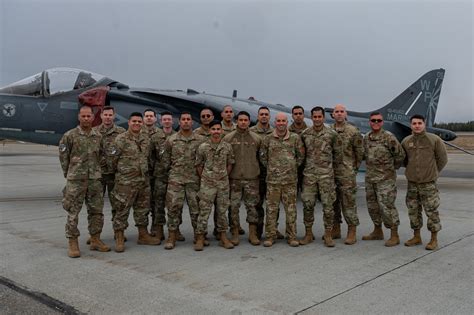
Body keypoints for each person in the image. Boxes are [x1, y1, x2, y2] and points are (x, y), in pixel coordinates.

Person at [59, 105, 110, 258]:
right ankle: (73, 241)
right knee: (73, 212)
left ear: (93, 118)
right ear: (79, 117)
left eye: (89, 116)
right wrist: (71, 174)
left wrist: (97, 172)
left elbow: (102, 156)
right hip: (76, 180)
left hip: (94, 180)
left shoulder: (98, 136)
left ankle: (95, 239)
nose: (86, 118)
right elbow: (63, 158)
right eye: (84, 116)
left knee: (96, 211)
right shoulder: (70, 136)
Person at [110, 112, 161, 252]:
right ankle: (119, 237)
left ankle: (143, 235)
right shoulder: (121, 139)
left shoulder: (146, 139)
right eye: (134, 121)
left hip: (143, 181)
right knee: (121, 209)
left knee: (143, 209)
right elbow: (112, 161)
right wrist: (124, 173)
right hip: (125, 182)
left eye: (139, 122)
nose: (137, 124)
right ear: (129, 122)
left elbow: (148, 158)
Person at [402, 114, 448, 250]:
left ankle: (434, 239)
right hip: (412, 184)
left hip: (428, 183)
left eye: (419, 123)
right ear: (411, 125)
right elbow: (405, 160)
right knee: (413, 211)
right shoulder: (406, 141)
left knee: (431, 211)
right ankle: (416, 236)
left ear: (424, 124)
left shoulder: (434, 140)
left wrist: (433, 173)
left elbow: (442, 159)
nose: (417, 126)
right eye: (414, 123)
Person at [260, 112, 305, 247]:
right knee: (271, 209)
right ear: (275, 122)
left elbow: (300, 157)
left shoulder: (295, 138)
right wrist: (273, 168)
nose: (280, 123)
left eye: (283, 121)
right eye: (278, 121)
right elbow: (263, 157)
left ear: (287, 122)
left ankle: (291, 236)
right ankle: (270, 235)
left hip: (290, 181)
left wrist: (290, 167)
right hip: (273, 181)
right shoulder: (268, 139)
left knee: (290, 210)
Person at [162, 112, 205, 250]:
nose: (186, 122)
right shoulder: (171, 140)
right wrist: (172, 174)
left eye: (188, 119)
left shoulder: (200, 140)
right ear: (179, 122)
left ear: (192, 122)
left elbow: (205, 160)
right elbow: (165, 161)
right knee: (173, 208)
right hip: (176, 180)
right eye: (183, 119)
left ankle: (199, 237)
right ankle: (172, 236)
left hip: (194, 180)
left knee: (196, 210)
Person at [362, 112, 405, 246]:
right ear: (370, 122)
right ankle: (377, 231)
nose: (376, 123)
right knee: (372, 207)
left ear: (382, 122)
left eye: (378, 121)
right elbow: (364, 155)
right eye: (373, 120)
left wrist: (390, 170)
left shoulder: (389, 137)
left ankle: (394, 234)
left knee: (387, 207)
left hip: (386, 180)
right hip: (370, 179)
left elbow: (400, 156)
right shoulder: (367, 138)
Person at [300, 106, 340, 247]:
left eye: (319, 117)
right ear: (312, 118)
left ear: (323, 117)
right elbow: (301, 155)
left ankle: (328, 235)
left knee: (328, 207)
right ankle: (308, 234)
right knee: (307, 205)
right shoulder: (305, 134)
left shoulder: (332, 134)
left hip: (326, 177)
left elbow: (337, 155)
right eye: (314, 117)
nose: (317, 119)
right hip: (309, 176)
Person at [194, 120, 235, 250]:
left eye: (218, 129)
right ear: (210, 131)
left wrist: (223, 176)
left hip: (223, 183)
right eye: (214, 129)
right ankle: (200, 237)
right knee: (204, 211)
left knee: (222, 211)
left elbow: (230, 164)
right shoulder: (203, 147)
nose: (216, 132)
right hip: (207, 184)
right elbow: (199, 165)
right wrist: (207, 177)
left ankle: (223, 236)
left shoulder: (227, 146)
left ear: (222, 131)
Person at [223, 111, 262, 246]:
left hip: (252, 179)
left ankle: (252, 234)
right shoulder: (228, 138)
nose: (243, 122)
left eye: (246, 120)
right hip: (234, 179)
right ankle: (234, 232)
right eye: (241, 120)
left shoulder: (256, 138)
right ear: (237, 121)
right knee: (233, 207)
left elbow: (261, 158)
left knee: (252, 207)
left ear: (249, 121)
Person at [331, 104, 364, 245]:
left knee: (348, 203)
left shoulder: (353, 131)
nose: (339, 114)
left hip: (347, 173)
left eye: (341, 111)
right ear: (333, 114)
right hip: (330, 173)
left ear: (346, 114)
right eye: (336, 112)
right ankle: (335, 228)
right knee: (332, 203)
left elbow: (359, 152)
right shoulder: (328, 131)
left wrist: (353, 169)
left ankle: (352, 230)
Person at [250, 106, 283, 239]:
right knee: (257, 203)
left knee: (273, 204)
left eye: (266, 114)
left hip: (273, 174)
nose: (264, 116)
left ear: (269, 117)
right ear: (258, 116)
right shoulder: (251, 131)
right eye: (261, 114)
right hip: (256, 174)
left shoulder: (276, 132)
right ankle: (257, 231)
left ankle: (273, 228)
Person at [93, 106, 125, 223]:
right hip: (98, 175)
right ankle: (95, 235)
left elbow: (124, 152)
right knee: (95, 205)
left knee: (117, 204)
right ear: (101, 116)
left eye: (110, 115)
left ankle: (118, 232)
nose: (107, 118)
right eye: (105, 115)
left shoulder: (121, 133)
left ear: (114, 116)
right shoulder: (94, 132)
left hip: (114, 174)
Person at [150, 111, 176, 241]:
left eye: (169, 119)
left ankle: (175, 230)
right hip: (159, 176)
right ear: (160, 122)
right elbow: (151, 157)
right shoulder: (155, 137)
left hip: (174, 176)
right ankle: (158, 229)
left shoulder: (177, 137)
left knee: (175, 204)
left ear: (172, 121)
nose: (166, 121)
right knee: (158, 204)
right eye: (164, 119)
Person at [141, 109, 166, 237]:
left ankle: (158, 227)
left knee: (158, 201)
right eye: (147, 116)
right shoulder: (138, 132)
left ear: (155, 119)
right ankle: (143, 230)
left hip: (157, 174)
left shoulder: (160, 134)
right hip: (142, 174)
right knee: (144, 202)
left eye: (151, 116)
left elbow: (163, 156)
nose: (149, 118)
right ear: (143, 118)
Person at [289, 105, 308, 193]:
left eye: (300, 113)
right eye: (295, 114)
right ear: (292, 116)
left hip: (307, 166)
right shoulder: (287, 131)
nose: (298, 116)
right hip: (292, 166)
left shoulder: (309, 131)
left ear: (303, 115)